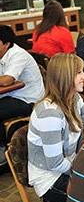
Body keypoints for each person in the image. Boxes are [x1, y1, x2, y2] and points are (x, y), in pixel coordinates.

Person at [27, 54, 84, 202]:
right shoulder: (50, 115)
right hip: (51, 182)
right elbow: (55, 164)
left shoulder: (74, 98)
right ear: (65, 76)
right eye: (79, 72)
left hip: (67, 168)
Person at [0, 25, 44, 166]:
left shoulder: (17, 55)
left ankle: (2, 153)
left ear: (6, 44)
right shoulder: (2, 54)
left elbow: (7, 80)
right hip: (12, 94)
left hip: (28, 99)